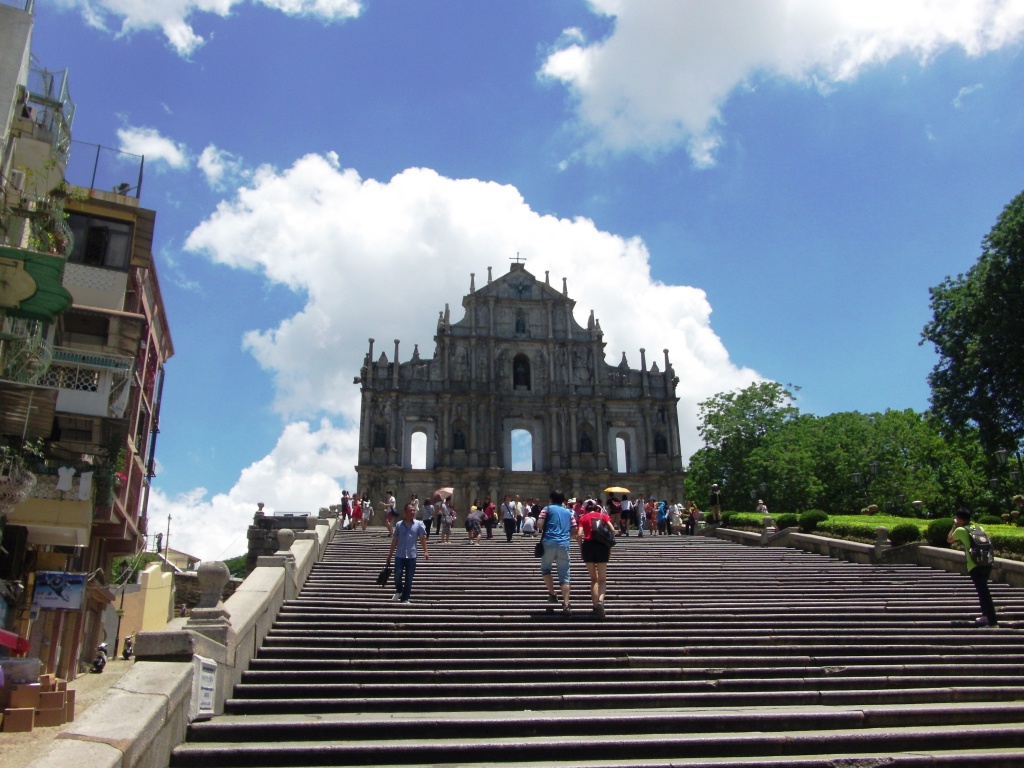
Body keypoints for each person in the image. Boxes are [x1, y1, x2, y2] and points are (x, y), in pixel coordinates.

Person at [947, 508, 999, 627]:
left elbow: (949, 540)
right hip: (986, 563)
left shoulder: (960, 529)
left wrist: (954, 525)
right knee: (982, 590)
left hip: (974, 565)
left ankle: (993, 622)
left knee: (984, 592)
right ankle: (985, 615)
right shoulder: (979, 528)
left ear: (959, 519)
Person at [537, 490, 577, 616]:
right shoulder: (569, 512)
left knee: (546, 570)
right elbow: (575, 530)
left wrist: (548, 531)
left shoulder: (547, 509)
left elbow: (539, 523)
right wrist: (565, 537)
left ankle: (553, 594)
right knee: (565, 576)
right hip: (564, 544)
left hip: (548, 542)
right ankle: (566, 604)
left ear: (551, 499)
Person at [386, 503, 429, 603]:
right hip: (399, 555)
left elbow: (422, 538)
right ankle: (399, 590)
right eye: (410, 510)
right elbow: (395, 540)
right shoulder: (399, 525)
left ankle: (405, 598)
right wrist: (390, 554)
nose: (413, 512)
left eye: (414, 510)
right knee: (397, 575)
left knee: (409, 578)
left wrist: (426, 551)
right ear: (405, 512)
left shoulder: (419, 524)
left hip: (412, 555)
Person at [577, 500, 613, 617]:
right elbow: (612, 530)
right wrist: (609, 543)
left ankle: (594, 606)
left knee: (594, 579)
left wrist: (581, 546)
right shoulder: (603, 516)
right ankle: (601, 601)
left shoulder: (583, 518)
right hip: (602, 546)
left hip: (588, 546)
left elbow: (579, 534)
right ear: (597, 509)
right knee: (602, 579)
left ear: (586, 510)